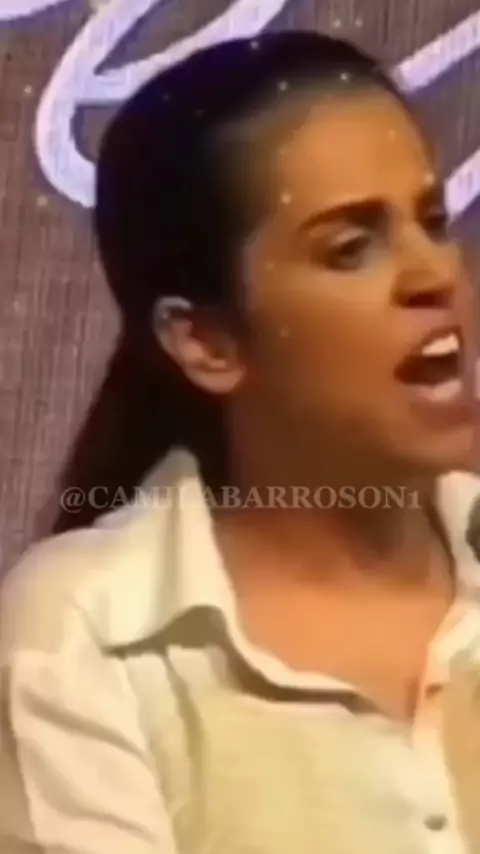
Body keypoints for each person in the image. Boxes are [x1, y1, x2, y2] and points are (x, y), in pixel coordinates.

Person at [0, 29, 479, 854]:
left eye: (432, 222)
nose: (435, 274)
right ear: (206, 342)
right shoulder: (81, 635)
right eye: (350, 248)